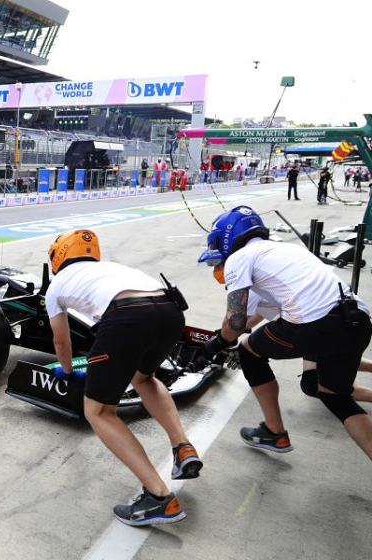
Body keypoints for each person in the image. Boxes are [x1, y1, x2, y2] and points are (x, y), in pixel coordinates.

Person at [45, 230, 201, 527]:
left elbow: (62, 343)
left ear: (59, 254)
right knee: (145, 378)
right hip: (169, 311)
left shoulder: (57, 286)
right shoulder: (111, 268)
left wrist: (66, 370)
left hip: (127, 317)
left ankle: (158, 499)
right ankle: (183, 448)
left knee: (99, 412)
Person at [197, 206, 372, 461]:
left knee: (249, 352)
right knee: (336, 397)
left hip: (315, 324)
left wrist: (217, 343)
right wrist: (233, 331)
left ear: (226, 237)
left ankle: (274, 431)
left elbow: (234, 323)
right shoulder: (285, 251)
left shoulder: (239, 258)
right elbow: (262, 312)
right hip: (357, 321)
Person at [244, 291, 372, 404]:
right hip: (333, 311)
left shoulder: (248, 282)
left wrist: (243, 350)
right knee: (332, 358)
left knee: (313, 384)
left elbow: (236, 325)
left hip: (319, 321)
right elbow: (254, 317)